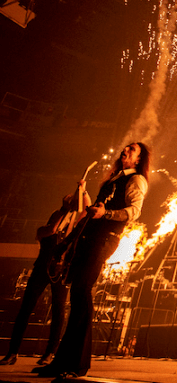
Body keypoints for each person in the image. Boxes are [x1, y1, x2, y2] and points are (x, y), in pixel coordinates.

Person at [34, 142, 150, 379]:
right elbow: (92, 213)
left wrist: (106, 213)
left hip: (105, 238)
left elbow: (134, 211)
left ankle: (77, 364)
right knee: (77, 294)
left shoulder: (136, 179)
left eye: (132, 149)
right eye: (126, 147)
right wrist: (68, 241)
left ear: (138, 159)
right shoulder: (114, 179)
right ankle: (63, 362)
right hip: (90, 236)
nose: (126, 150)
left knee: (82, 290)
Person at [0, 186, 90, 367]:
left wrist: (83, 191)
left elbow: (86, 212)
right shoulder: (44, 231)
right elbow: (52, 228)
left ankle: (50, 353)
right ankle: (12, 352)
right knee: (25, 309)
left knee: (58, 311)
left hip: (61, 272)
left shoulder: (71, 233)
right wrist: (64, 210)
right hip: (41, 270)